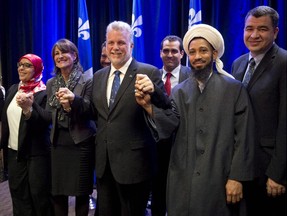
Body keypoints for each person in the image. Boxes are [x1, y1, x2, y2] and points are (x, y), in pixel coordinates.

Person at [136, 24, 255, 216]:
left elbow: (244, 138)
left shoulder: (234, 89)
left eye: (203, 51)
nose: (197, 56)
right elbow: (169, 126)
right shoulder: (179, 90)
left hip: (219, 175)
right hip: (183, 176)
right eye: (192, 52)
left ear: (214, 54)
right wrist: (148, 107)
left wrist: (237, 178)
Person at [91, 21, 170, 216]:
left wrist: (154, 94)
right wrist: (73, 103)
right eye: (110, 43)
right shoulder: (99, 76)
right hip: (104, 163)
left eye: (121, 43)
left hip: (134, 165)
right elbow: (96, 114)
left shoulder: (149, 72)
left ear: (131, 46)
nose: (115, 48)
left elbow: (166, 109)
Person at [231, 6, 287, 216]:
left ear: (275, 32)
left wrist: (279, 174)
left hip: (270, 170)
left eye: (262, 29)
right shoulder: (237, 64)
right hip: (243, 167)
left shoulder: (285, 63)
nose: (254, 35)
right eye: (249, 28)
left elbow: (286, 123)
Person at [45, 38, 96, 215]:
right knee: (58, 192)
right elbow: (47, 113)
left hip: (80, 142)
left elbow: (91, 111)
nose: (60, 56)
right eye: (56, 54)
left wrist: (71, 104)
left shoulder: (88, 80)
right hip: (58, 143)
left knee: (81, 192)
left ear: (74, 55)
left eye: (64, 52)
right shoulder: (51, 83)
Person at [0, 54, 52, 215]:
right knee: (18, 195)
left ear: (37, 69)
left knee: (39, 197)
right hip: (14, 153)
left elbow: (44, 123)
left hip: (36, 154)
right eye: (20, 64)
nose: (21, 68)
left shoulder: (43, 93)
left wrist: (28, 109)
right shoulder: (13, 89)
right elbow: (6, 121)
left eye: (27, 65)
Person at [151, 35, 191, 216]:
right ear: (160, 53)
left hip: (184, 143)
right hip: (157, 144)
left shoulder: (191, 75)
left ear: (182, 54)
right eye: (166, 50)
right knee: (158, 190)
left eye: (174, 51)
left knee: (182, 191)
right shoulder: (152, 77)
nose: (170, 55)